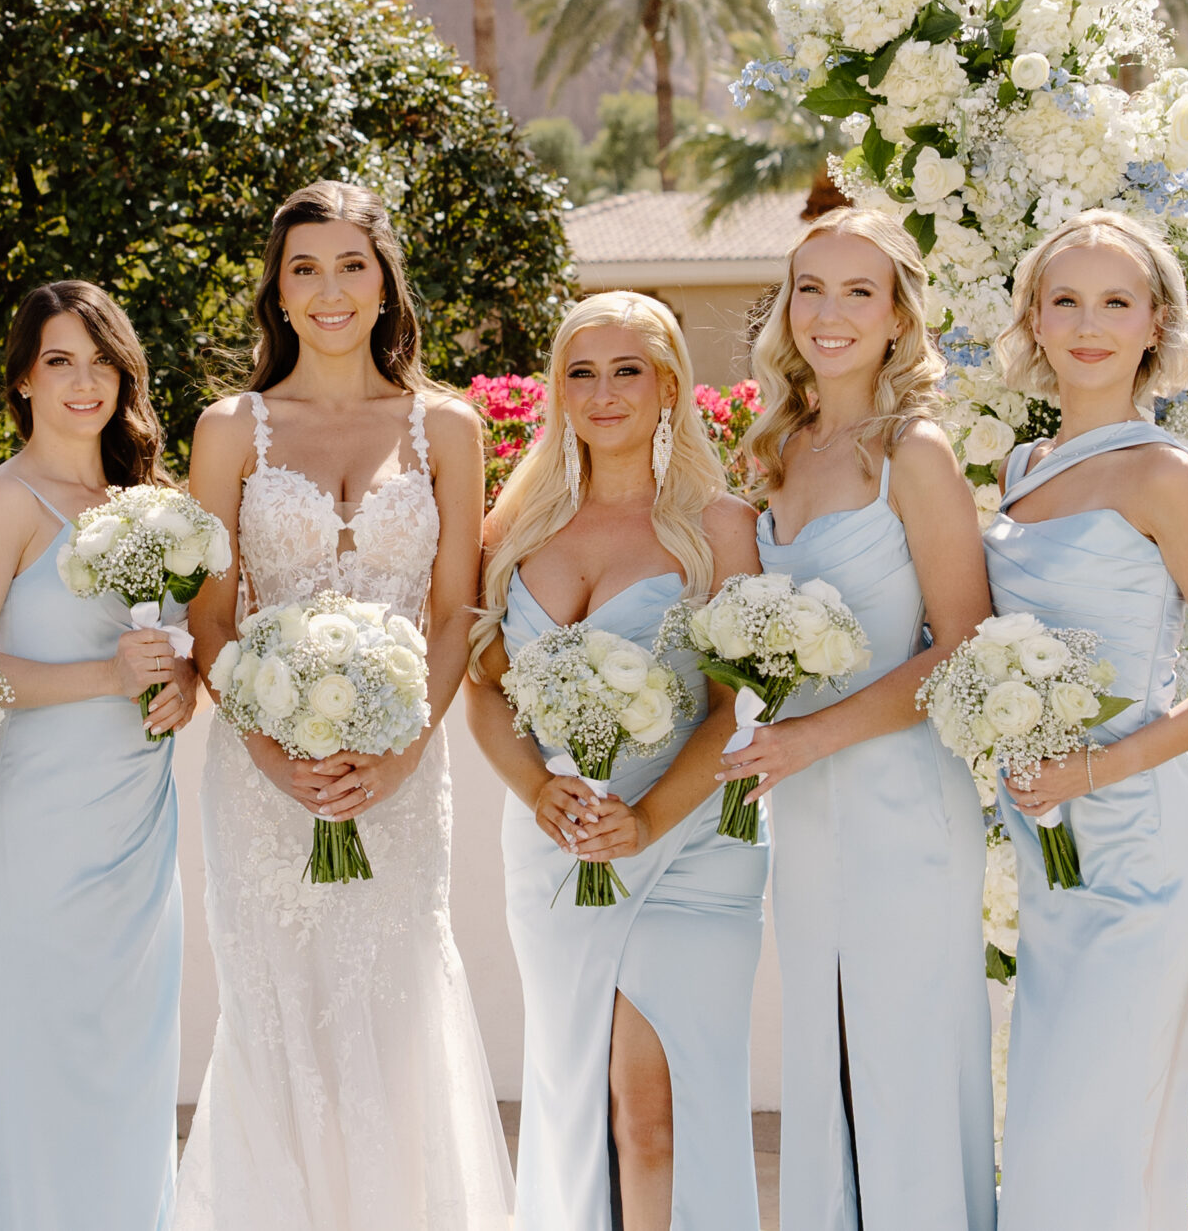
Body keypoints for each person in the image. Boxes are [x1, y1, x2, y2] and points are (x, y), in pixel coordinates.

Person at [173, 180, 514, 1231]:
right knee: (279, 1021)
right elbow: (211, 619)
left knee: (394, 1007)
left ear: (384, 284)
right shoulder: (232, 429)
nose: (328, 290)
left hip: (402, 776)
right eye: (303, 268)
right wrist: (274, 755)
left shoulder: (446, 428)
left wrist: (406, 752)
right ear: (277, 292)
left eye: (350, 266)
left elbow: (456, 612)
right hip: (259, 779)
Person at [985, 208, 1188, 1230]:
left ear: (1156, 322)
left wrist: (1094, 775)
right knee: (1049, 1127)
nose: (1087, 324)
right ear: (1032, 318)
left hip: (1142, 843)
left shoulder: (1163, 473)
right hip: (1050, 843)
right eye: (1063, 300)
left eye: (1115, 302)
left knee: (1097, 1130)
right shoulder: (1018, 474)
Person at [717, 208, 996, 1231]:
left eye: (857, 292)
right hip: (806, 805)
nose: (828, 314)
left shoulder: (909, 452)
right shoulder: (777, 446)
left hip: (900, 801)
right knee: (824, 1055)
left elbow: (964, 641)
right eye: (809, 288)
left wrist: (813, 738)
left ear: (896, 318)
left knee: (903, 1055)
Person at [465, 291, 767, 1231]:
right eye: (580, 372)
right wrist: (538, 787)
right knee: (578, 1100)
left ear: (670, 385)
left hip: (692, 846)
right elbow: (483, 688)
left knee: (652, 1116)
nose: (602, 393)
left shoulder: (718, 527)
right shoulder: (512, 528)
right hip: (558, 849)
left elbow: (733, 708)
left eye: (626, 369)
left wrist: (643, 820)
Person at [0, 281, 190, 1231]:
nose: (84, 381)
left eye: (101, 359)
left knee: (129, 1056)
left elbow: (176, 648)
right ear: (22, 379)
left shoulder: (156, 504)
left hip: (139, 820)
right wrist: (104, 679)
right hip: (43, 823)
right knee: (43, 1049)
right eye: (59, 360)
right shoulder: (3, 501)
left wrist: (181, 684)